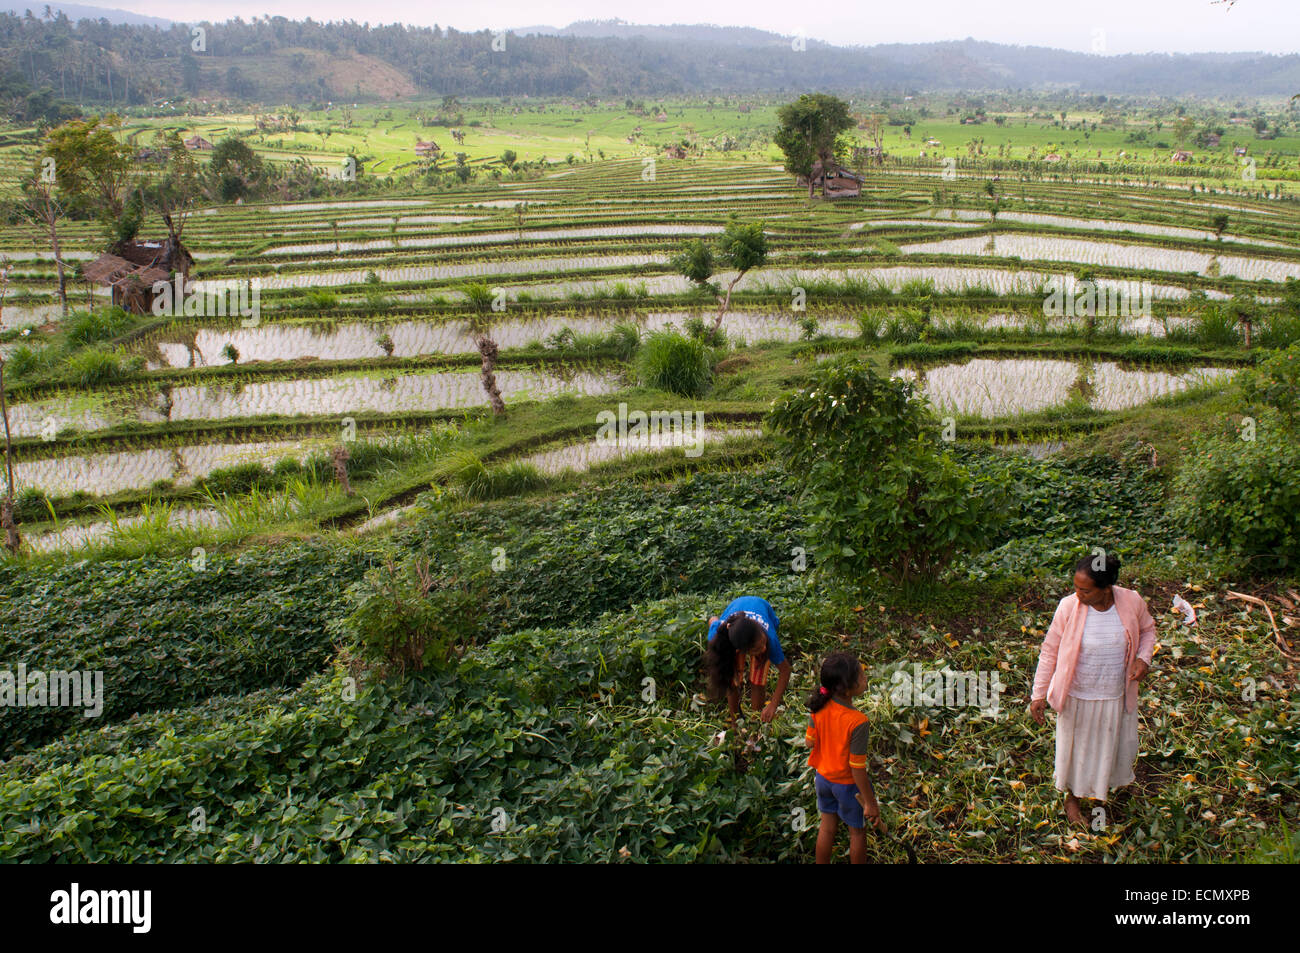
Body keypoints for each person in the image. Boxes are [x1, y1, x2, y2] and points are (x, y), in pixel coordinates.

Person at [1029, 551, 1157, 826]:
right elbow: (1050, 651)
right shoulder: (1068, 607)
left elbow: (1148, 630)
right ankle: (1072, 798)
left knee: (1109, 744)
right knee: (1076, 748)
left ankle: (1100, 794)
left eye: (1085, 590)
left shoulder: (1131, 601)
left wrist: (1143, 658)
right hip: (1077, 694)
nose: (1078, 595)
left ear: (1106, 588)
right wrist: (1038, 694)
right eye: (1075, 587)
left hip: (1114, 693)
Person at [805, 652, 883, 864]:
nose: (865, 678)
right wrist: (869, 802)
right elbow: (857, 768)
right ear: (847, 688)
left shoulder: (818, 706)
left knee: (827, 827)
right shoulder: (858, 721)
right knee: (857, 833)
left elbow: (809, 742)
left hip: (822, 779)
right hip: (848, 786)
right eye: (861, 676)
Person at [703, 596, 792, 723]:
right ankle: (736, 722)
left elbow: (785, 671)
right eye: (757, 649)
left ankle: (756, 720)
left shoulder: (769, 638)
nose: (763, 648)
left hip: (760, 606)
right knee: (733, 680)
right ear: (740, 650)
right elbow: (712, 620)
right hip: (736, 625)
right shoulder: (720, 636)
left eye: (763, 643)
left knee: (758, 681)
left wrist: (773, 705)